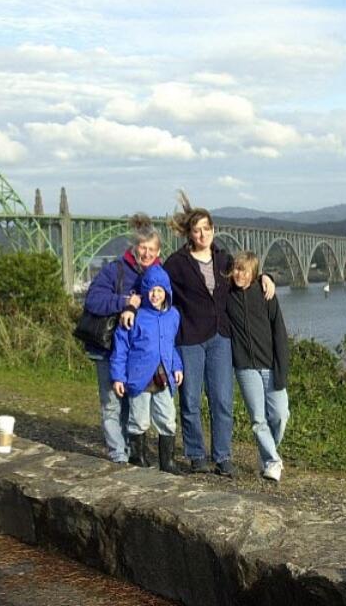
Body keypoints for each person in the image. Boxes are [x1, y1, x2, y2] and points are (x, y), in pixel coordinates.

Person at [159, 191, 275, 476]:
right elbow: (157, 284)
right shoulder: (176, 263)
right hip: (190, 338)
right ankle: (197, 454)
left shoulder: (224, 259)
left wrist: (264, 277)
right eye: (196, 230)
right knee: (190, 399)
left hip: (221, 337)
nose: (202, 234)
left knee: (222, 399)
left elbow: (244, 275)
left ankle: (223, 457)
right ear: (189, 233)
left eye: (206, 229)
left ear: (213, 230)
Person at [82, 213, 162, 464]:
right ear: (134, 247)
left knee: (131, 402)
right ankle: (118, 455)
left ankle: (130, 449)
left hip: (134, 351)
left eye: (151, 249)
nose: (147, 253)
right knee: (112, 404)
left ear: (158, 251)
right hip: (106, 348)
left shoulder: (158, 274)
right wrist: (124, 302)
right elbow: (93, 300)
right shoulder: (114, 269)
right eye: (143, 248)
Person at [110, 265, 183, 473]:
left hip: (164, 378)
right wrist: (118, 377)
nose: (155, 295)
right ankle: (137, 458)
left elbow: (171, 346)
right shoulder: (135, 316)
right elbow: (121, 348)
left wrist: (177, 366)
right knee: (139, 419)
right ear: (144, 291)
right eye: (151, 290)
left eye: (160, 290)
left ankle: (167, 462)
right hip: (139, 378)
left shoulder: (173, 316)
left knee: (167, 418)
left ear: (166, 292)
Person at [225, 252, 290, 482]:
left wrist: (267, 277)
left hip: (270, 365)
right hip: (245, 367)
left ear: (253, 273)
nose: (238, 274)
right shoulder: (227, 295)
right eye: (236, 269)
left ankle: (267, 455)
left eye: (244, 270)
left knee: (280, 415)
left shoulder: (266, 294)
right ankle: (273, 461)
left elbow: (279, 332)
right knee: (258, 419)